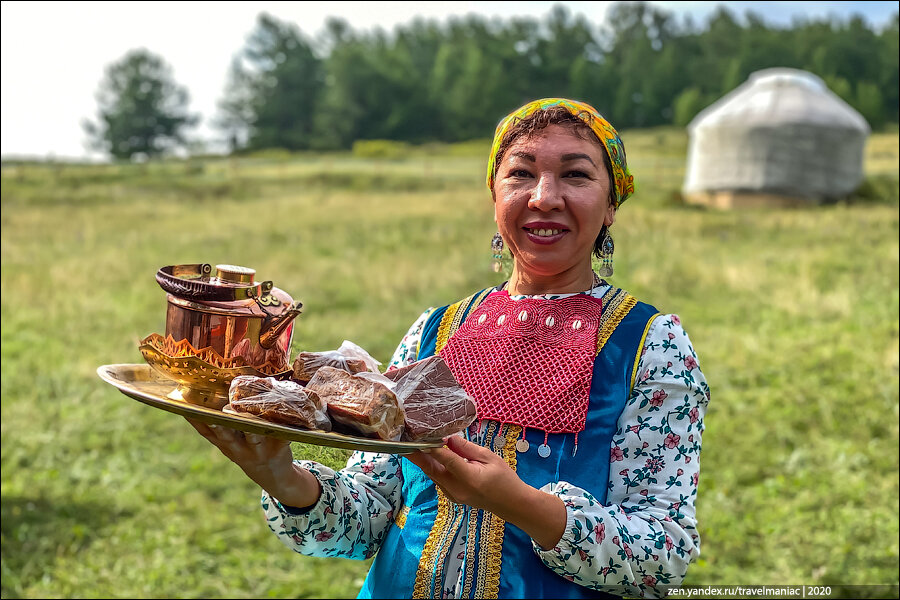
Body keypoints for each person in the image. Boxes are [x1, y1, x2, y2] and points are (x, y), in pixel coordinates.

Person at [189, 98, 710, 599]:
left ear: (612, 204)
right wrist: (281, 475)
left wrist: (519, 503)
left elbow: (661, 559)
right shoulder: (435, 329)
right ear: (494, 196)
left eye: (576, 174)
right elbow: (369, 516)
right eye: (521, 173)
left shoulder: (649, 344)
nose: (544, 196)